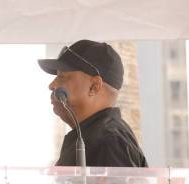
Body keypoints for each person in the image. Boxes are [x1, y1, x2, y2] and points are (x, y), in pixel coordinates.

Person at [38, 39, 148, 167]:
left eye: (62, 77)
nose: (52, 85)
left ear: (94, 86)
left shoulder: (110, 141)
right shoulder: (95, 136)